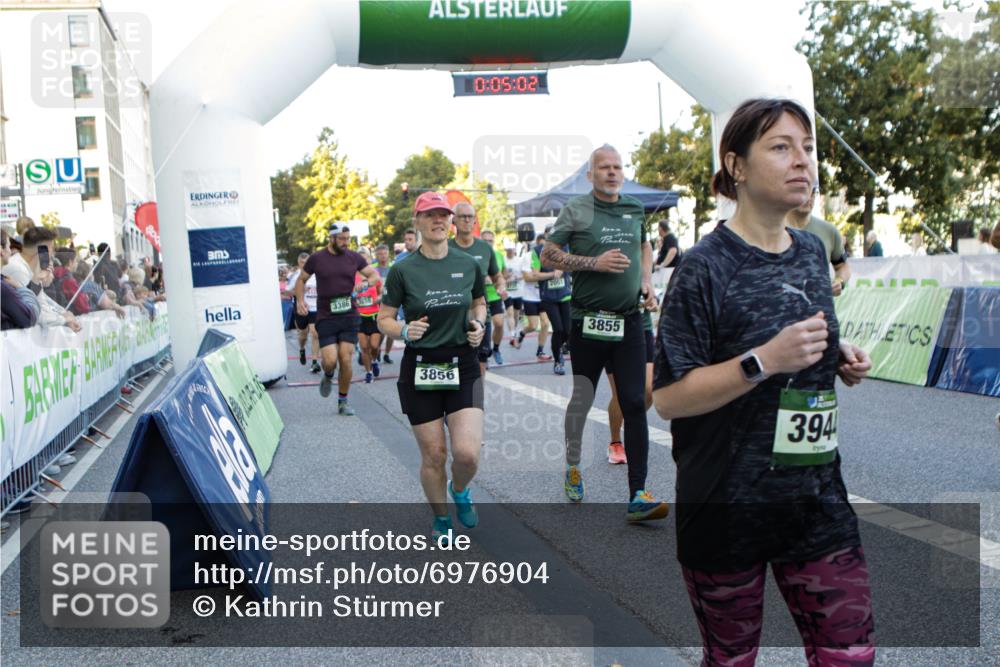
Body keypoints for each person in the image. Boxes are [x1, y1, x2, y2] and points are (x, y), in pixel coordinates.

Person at [652, 98, 875, 666]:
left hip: (816, 503)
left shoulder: (810, 253)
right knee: (732, 660)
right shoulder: (704, 267)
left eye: (807, 148)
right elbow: (669, 399)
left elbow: (805, 341)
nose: (802, 161)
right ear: (738, 166)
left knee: (850, 653)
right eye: (781, 147)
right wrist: (763, 361)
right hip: (728, 506)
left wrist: (837, 355)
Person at [541, 144, 667, 521]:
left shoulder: (633, 208)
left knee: (634, 401)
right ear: (591, 175)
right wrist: (593, 262)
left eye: (617, 167)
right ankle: (574, 465)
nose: (612, 172)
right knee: (583, 397)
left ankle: (638, 494)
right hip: (588, 321)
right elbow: (549, 254)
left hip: (628, 320)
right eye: (604, 167)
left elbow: (644, 245)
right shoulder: (576, 210)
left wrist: (646, 279)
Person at [377, 191, 487, 542]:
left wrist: (479, 325)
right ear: (418, 222)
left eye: (444, 215)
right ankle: (441, 520)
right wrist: (405, 330)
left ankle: (460, 490)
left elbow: (479, 303)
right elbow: (384, 319)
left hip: (463, 365)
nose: (438, 220)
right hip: (421, 367)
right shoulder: (403, 269)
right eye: (430, 215)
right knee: (435, 454)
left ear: (451, 221)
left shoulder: (468, 263)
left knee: (467, 454)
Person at [295, 223, 383, 416]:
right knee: (330, 361)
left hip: (349, 315)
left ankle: (342, 401)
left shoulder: (353, 257)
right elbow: (301, 279)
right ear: (331, 238)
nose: (345, 243)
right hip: (326, 316)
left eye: (348, 239)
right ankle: (327, 374)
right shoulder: (317, 258)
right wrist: (300, 300)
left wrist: (366, 283)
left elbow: (374, 276)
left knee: (345, 358)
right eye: (342, 239)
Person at [449, 202, 505, 377]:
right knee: (453, 362)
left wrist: (501, 286)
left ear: (474, 221)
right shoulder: (445, 247)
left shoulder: (485, 248)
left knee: (480, 360)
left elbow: (497, 276)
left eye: (470, 216)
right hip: (452, 316)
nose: (466, 220)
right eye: (462, 216)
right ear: (454, 221)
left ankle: (477, 401)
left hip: (480, 314)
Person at [1, 224, 81, 332]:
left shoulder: (29, 267)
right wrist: (63, 319)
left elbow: (42, 301)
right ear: (43, 249)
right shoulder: (18, 269)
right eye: (52, 248)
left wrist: (63, 313)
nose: (53, 253)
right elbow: (34, 313)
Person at [605, 298, 656, 464]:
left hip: (643, 327)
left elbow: (651, 293)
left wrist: (652, 301)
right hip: (613, 329)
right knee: (620, 394)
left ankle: (631, 417)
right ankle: (615, 442)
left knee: (649, 389)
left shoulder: (647, 271)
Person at [786, 186, 851, 295]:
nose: (808, 197)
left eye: (812, 192)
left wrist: (839, 281)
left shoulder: (829, 231)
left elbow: (843, 266)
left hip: (820, 308)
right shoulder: (772, 230)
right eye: (802, 190)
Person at [383, 228, 418, 365]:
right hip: (406, 301)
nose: (408, 243)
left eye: (411, 240)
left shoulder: (425, 255)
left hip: (424, 298)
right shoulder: (399, 259)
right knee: (409, 330)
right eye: (406, 240)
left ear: (417, 240)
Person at [536, 245, 571, 375]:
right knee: (558, 329)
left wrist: (563, 267)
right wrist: (552, 274)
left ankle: (559, 347)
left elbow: (573, 264)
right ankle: (557, 361)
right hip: (549, 298)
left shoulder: (567, 248)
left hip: (565, 295)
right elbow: (534, 275)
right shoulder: (537, 251)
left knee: (567, 331)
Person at [515, 242, 552, 360]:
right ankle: (522, 333)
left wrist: (541, 276)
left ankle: (540, 352)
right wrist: (546, 275)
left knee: (545, 323)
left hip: (543, 296)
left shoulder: (550, 255)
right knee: (533, 325)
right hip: (530, 297)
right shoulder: (528, 256)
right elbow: (527, 277)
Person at [479, 229, 508, 365]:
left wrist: (502, 286)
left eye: (490, 241)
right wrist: (482, 279)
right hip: (479, 298)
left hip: (494, 296)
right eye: (485, 241)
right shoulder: (476, 255)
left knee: (499, 323)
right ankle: (483, 354)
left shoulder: (499, 256)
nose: (488, 243)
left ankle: (496, 349)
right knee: (481, 327)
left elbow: (503, 275)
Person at [288, 252, 321, 372]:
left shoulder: (317, 274)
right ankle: (302, 349)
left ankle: (314, 362)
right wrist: (300, 289)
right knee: (303, 335)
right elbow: (287, 292)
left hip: (315, 308)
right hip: (301, 309)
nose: (305, 265)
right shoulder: (296, 275)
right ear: (298, 263)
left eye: (307, 262)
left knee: (315, 333)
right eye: (302, 263)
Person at [1, 229, 39, 330]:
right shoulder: (3, 287)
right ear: (1, 250)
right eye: (9, 246)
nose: (10, 251)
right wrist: (21, 288)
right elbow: (30, 317)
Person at [355, 267, 382, 383]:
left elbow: (384, 292)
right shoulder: (353, 278)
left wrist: (378, 299)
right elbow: (348, 294)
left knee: (374, 346)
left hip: (374, 316)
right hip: (359, 317)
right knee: (364, 347)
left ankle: (375, 361)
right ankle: (369, 372)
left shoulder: (374, 276)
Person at [501, 241, 525, 347]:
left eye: (512, 249)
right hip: (507, 292)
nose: (510, 251)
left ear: (515, 250)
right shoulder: (502, 260)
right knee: (509, 313)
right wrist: (505, 279)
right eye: (508, 249)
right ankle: (512, 336)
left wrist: (515, 277)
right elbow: (498, 276)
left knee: (515, 315)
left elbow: (525, 275)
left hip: (518, 291)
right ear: (505, 250)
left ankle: (514, 332)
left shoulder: (520, 260)